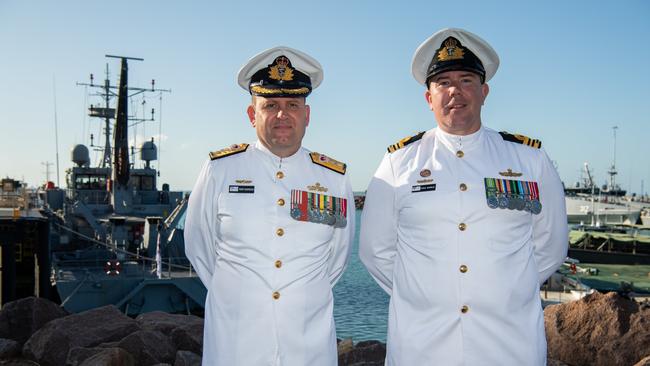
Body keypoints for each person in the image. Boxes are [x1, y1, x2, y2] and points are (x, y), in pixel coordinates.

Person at [359, 28, 568, 365]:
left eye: (466, 80)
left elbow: (551, 245)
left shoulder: (529, 160)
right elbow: (375, 251)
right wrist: (424, 293)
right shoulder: (399, 163)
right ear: (429, 97)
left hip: (509, 343)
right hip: (423, 345)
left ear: (484, 91)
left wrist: (506, 289)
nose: (455, 90)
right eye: (443, 82)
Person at [184, 46, 354, 365]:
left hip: (308, 348)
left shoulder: (333, 179)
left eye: (292, 104)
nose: (282, 115)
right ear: (252, 115)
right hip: (236, 345)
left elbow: (337, 259)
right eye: (270, 104)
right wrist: (240, 298)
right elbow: (199, 248)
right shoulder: (220, 170)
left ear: (307, 115)